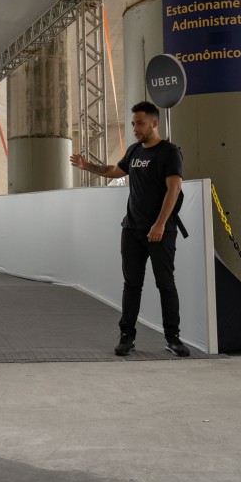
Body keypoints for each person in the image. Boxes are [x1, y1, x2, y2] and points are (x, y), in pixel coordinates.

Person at [69, 101, 190, 358]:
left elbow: (174, 189)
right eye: (134, 123)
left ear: (154, 123)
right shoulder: (135, 151)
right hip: (132, 230)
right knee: (131, 285)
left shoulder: (169, 153)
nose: (135, 128)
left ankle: (173, 337)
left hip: (160, 232)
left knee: (165, 284)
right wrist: (87, 165)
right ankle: (127, 336)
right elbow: (115, 170)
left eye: (140, 123)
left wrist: (159, 224)